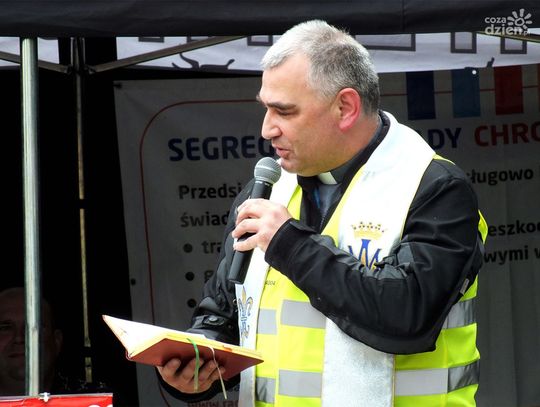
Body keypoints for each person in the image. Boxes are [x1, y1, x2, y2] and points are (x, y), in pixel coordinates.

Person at [158, 20, 487, 406]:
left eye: (284, 111)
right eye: (266, 109)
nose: (267, 129)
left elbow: (407, 316)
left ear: (345, 107)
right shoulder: (269, 189)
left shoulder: (434, 187)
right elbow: (224, 313)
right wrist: (199, 365)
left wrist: (290, 245)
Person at [0, 287, 63, 396]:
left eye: (34, 326)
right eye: (6, 328)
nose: (19, 338)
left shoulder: (93, 397)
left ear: (56, 341)